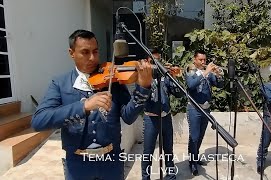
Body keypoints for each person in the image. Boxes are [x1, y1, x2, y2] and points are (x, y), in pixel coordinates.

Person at [31, 29, 153, 180]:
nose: (92, 58)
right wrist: (84, 106)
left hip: (111, 161)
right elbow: (39, 121)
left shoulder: (112, 79)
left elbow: (128, 117)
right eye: (85, 52)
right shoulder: (60, 83)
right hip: (77, 165)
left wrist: (143, 88)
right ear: (71, 53)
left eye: (95, 51)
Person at [141, 49, 183, 180]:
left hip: (166, 117)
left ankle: (170, 176)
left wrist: (175, 78)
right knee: (148, 152)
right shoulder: (144, 77)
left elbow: (179, 93)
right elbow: (141, 97)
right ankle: (145, 178)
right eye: (154, 60)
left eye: (158, 60)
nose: (157, 63)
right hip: (151, 119)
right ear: (148, 61)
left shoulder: (166, 76)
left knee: (168, 150)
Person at [185, 50, 224, 176]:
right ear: (195, 60)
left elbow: (220, 85)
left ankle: (195, 158)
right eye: (200, 60)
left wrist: (218, 75)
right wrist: (206, 72)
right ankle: (192, 162)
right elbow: (191, 85)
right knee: (194, 136)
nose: (203, 62)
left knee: (200, 136)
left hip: (206, 109)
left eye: (204, 60)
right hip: (194, 109)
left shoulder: (209, 73)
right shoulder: (190, 71)